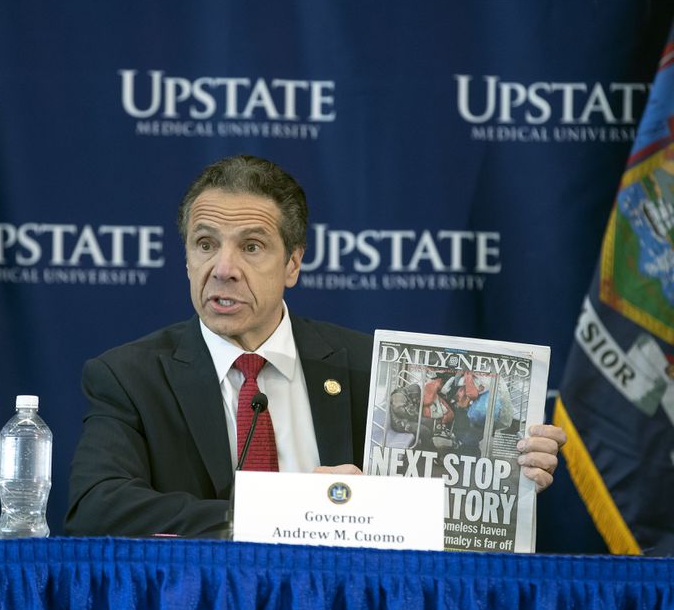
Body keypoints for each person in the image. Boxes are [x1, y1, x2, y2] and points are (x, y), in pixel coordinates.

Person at [65, 155, 566, 538]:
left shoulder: (375, 370)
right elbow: (96, 507)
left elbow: (441, 510)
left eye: (252, 246)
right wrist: (285, 511)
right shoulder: (129, 377)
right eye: (205, 243)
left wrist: (511, 468)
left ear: (293, 264)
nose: (223, 267)